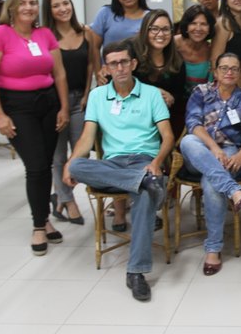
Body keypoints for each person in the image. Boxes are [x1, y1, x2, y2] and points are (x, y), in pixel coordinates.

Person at [64, 40, 174, 302]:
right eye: (114, 63)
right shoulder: (98, 97)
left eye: (124, 61)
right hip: (112, 165)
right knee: (78, 164)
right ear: (106, 68)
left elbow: (168, 137)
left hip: (144, 162)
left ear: (133, 64)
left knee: (145, 197)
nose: (120, 67)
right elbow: (87, 138)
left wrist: (157, 162)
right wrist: (70, 162)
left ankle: (136, 273)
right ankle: (145, 182)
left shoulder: (150, 94)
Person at [0, 0, 70, 255]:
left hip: (48, 104)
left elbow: (60, 74)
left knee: (46, 163)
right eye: (23, 3)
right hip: (17, 107)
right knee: (36, 165)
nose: (29, 7)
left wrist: (64, 107)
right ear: (12, 7)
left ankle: (44, 218)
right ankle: (39, 226)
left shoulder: (44, 34)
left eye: (32, 3)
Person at [179, 52, 241, 275]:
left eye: (234, 69)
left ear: (239, 73)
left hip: (231, 151)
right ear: (215, 71)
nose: (229, 72)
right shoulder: (201, 92)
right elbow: (192, 123)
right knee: (188, 141)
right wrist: (214, 148)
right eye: (224, 68)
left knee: (211, 182)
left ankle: (213, 249)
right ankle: (233, 190)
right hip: (201, 148)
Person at [41, 0, 94, 225]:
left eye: (65, 3)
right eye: (56, 5)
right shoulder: (45, 36)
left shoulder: (85, 32)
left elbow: (92, 65)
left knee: (80, 152)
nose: (63, 9)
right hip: (54, 103)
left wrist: (86, 95)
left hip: (79, 101)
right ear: (49, 11)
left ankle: (60, 199)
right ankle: (68, 201)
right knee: (58, 155)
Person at [131, 9, 186, 139]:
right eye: (154, 29)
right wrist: (153, 92)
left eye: (166, 29)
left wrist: (172, 97)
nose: (160, 34)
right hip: (135, 117)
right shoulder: (132, 54)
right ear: (145, 30)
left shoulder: (176, 60)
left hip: (167, 119)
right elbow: (122, 85)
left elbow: (179, 93)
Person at [89, 0, 151, 85]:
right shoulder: (105, 13)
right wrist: (99, 71)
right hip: (110, 77)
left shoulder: (150, 17)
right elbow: (94, 47)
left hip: (142, 78)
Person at [174, 4, 216, 94]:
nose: (198, 28)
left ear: (210, 28)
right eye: (193, 23)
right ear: (186, 26)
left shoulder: (212, 51)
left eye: (203, 24)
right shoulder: (173, 44)